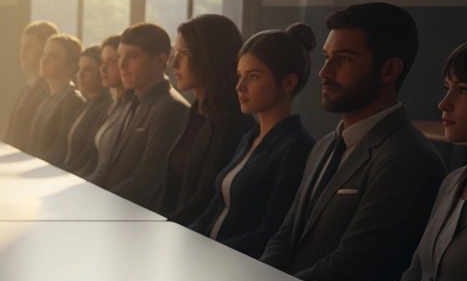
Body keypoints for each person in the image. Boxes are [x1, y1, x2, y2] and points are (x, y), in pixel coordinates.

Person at [261, 2, 445, 281]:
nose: (324, 72)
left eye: (343, 59)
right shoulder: (323, 146)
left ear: (389, 70)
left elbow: (353, 268)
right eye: (326, 57)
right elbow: (286, 234)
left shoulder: (409, 159)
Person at [375, 35, 467, 281]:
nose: (444, 103)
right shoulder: (453, 182)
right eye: (446, 87)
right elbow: (413, 279)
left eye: (464, 90)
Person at [190, 24, 318, 257]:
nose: (239, 87)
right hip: (209, 258)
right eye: (239, 76)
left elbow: (271, 233)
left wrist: (207, 254)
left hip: (237, 268)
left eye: (254, 77)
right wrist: (183, 240)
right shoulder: (250, 137)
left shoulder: (297, 147)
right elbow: (216, 208)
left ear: (288, 83)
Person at [156, 15, 255, 224]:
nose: (173, 63)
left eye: (184, 53)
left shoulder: (233, 122)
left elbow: (205, 202)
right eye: (176, 52)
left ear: (210, 56)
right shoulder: (195, 111)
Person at [88, 23, 190, 209]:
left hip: (135, 218)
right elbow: (111, 168)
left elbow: (148, 179)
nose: (121, 65)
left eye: (132, 57)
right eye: (120, 57)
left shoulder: (170, 108)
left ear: (160, 61)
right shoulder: (134, 101)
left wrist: (97, 202)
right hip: (114, 208)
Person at [74, 35, 129, 179]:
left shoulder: (111, 106)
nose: (103, 69)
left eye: (111, 61)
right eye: (103, 62)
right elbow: (91, 159)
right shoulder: (114, 105)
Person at [27, 33, 85, 164]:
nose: (44, 60)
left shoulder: (72, 101)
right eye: (44, 54)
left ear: (70, 66)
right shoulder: (46, 99)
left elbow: (61, 149)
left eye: (53, 56)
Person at [3, 20, 59, 151]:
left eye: (29, 47)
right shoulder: (29, 87)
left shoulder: (49, 91)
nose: (22, 52)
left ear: (45, 50)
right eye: (21, 47)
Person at [57, 44, 114, 173]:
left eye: (88, 70)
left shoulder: (105, 107)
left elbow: (88, 157)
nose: (80, 75)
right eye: (79, 69)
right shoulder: (87, 103)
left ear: (102, 72)